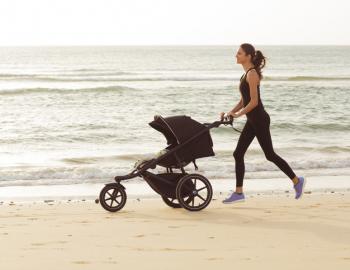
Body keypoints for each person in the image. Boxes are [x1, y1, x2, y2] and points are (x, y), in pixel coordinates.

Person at [220, 43, 306, 204]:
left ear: (248, 56)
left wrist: (238, 114)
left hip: (259, 119)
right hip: (253, 120)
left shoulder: (252, 74)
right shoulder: (245, 74)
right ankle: (239, 193)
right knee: (238, 154)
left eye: (239, 53)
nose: (236, 55)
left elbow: (254, 102)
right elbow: (243, 100)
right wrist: (230, 112)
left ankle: (297, 181)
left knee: (270, 155)